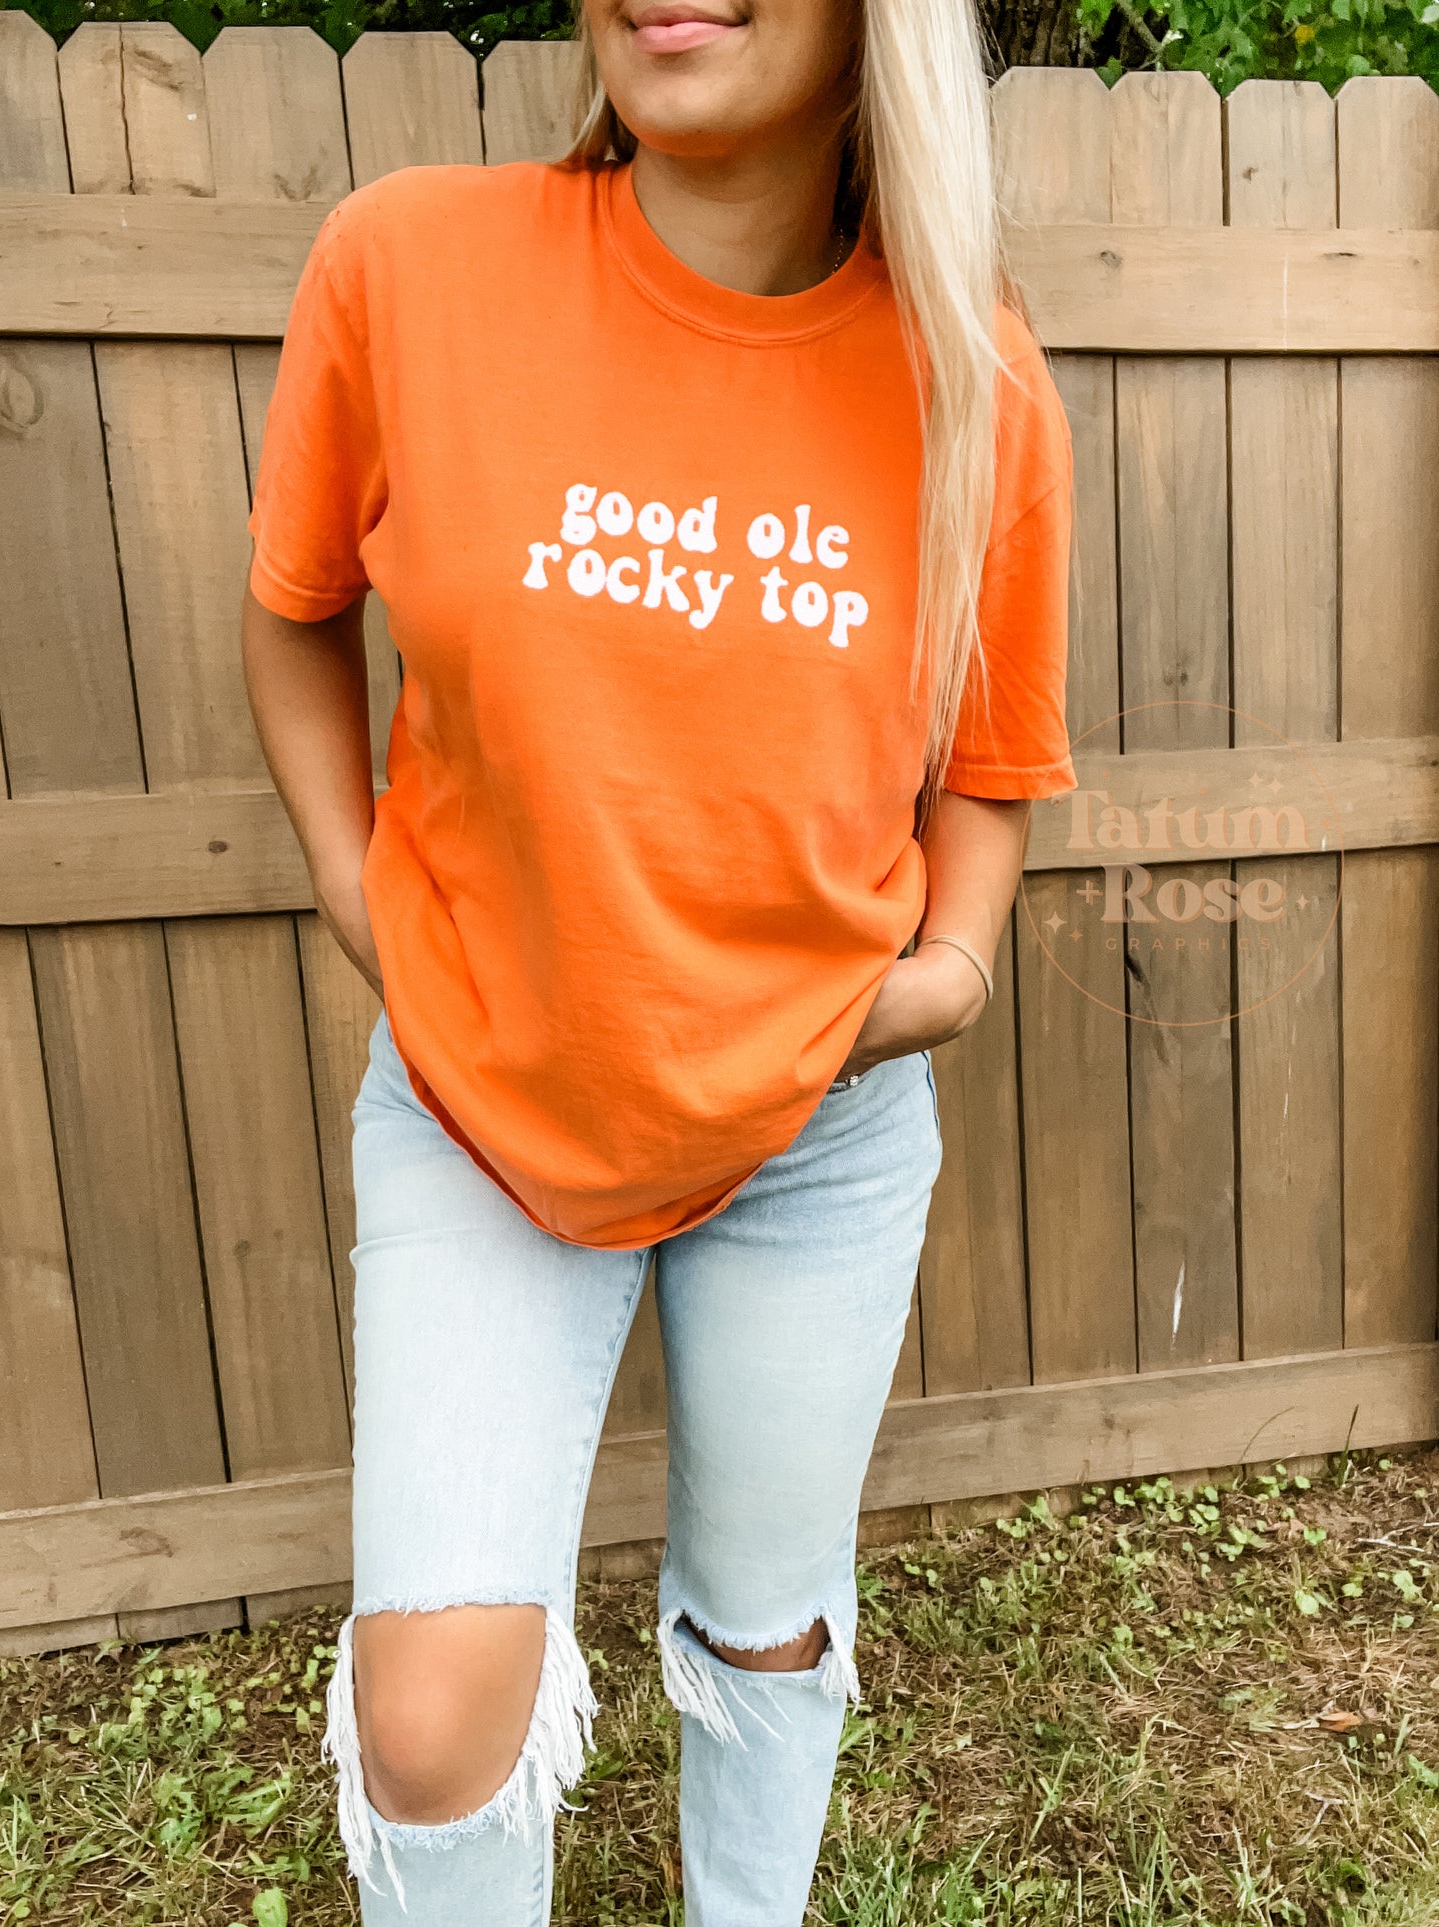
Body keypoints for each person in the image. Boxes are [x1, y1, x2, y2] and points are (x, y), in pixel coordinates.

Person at [241, 0, 1075, 1918]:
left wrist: (941, 971)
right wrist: (355, 893)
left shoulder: (975, 383)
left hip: (818, 1129)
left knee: (770, 1621)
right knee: (432, 1713)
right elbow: (294, 613)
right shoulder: (411, 266)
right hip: (482, 1108)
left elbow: (992, 760)